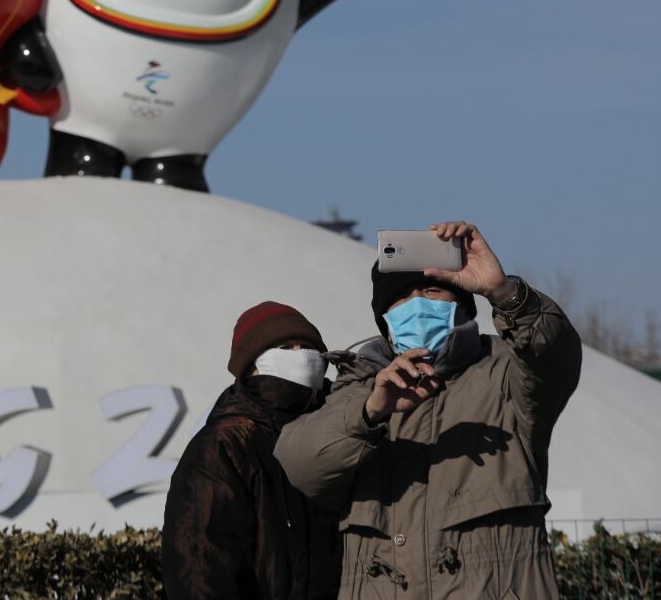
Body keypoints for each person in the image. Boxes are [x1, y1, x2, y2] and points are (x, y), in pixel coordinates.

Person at [274, 221, 582, 599]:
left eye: (433, 290)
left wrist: (505, 293)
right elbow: (301, 464)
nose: (418, 305)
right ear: (386, 323)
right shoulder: (355, 390)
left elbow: (555, 357)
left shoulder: (505, 375)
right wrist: (370, 411)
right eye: (401, 299)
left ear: (463, 305)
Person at [163, 301, 340, 599]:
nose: (300, 356)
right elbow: (199, 567)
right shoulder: (223, 446)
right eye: (286, 346)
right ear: (253, 364)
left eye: (307, 347)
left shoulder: (340, 431)